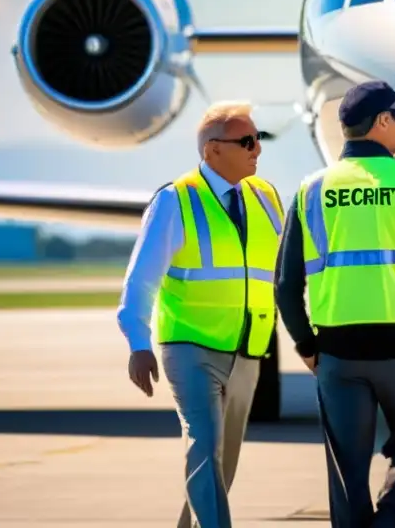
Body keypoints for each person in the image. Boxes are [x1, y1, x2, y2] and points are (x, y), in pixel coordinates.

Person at [275, 80, 395, 528]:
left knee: (346, 472)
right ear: (381, 122)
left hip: (337, 353)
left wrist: (305, 344)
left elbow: (285, 283)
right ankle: (393, 521)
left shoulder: (311, 190)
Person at [116, 101, 285, 528]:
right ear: (212, 151)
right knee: (205, 447)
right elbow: (140, 281)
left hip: (249, 346)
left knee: (221, 464)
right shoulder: (175, 200)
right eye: (246, 141)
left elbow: (283, 273)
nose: (257, 150)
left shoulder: (266, 197)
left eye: (258, 139)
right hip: (191, 346)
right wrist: (138, 344)